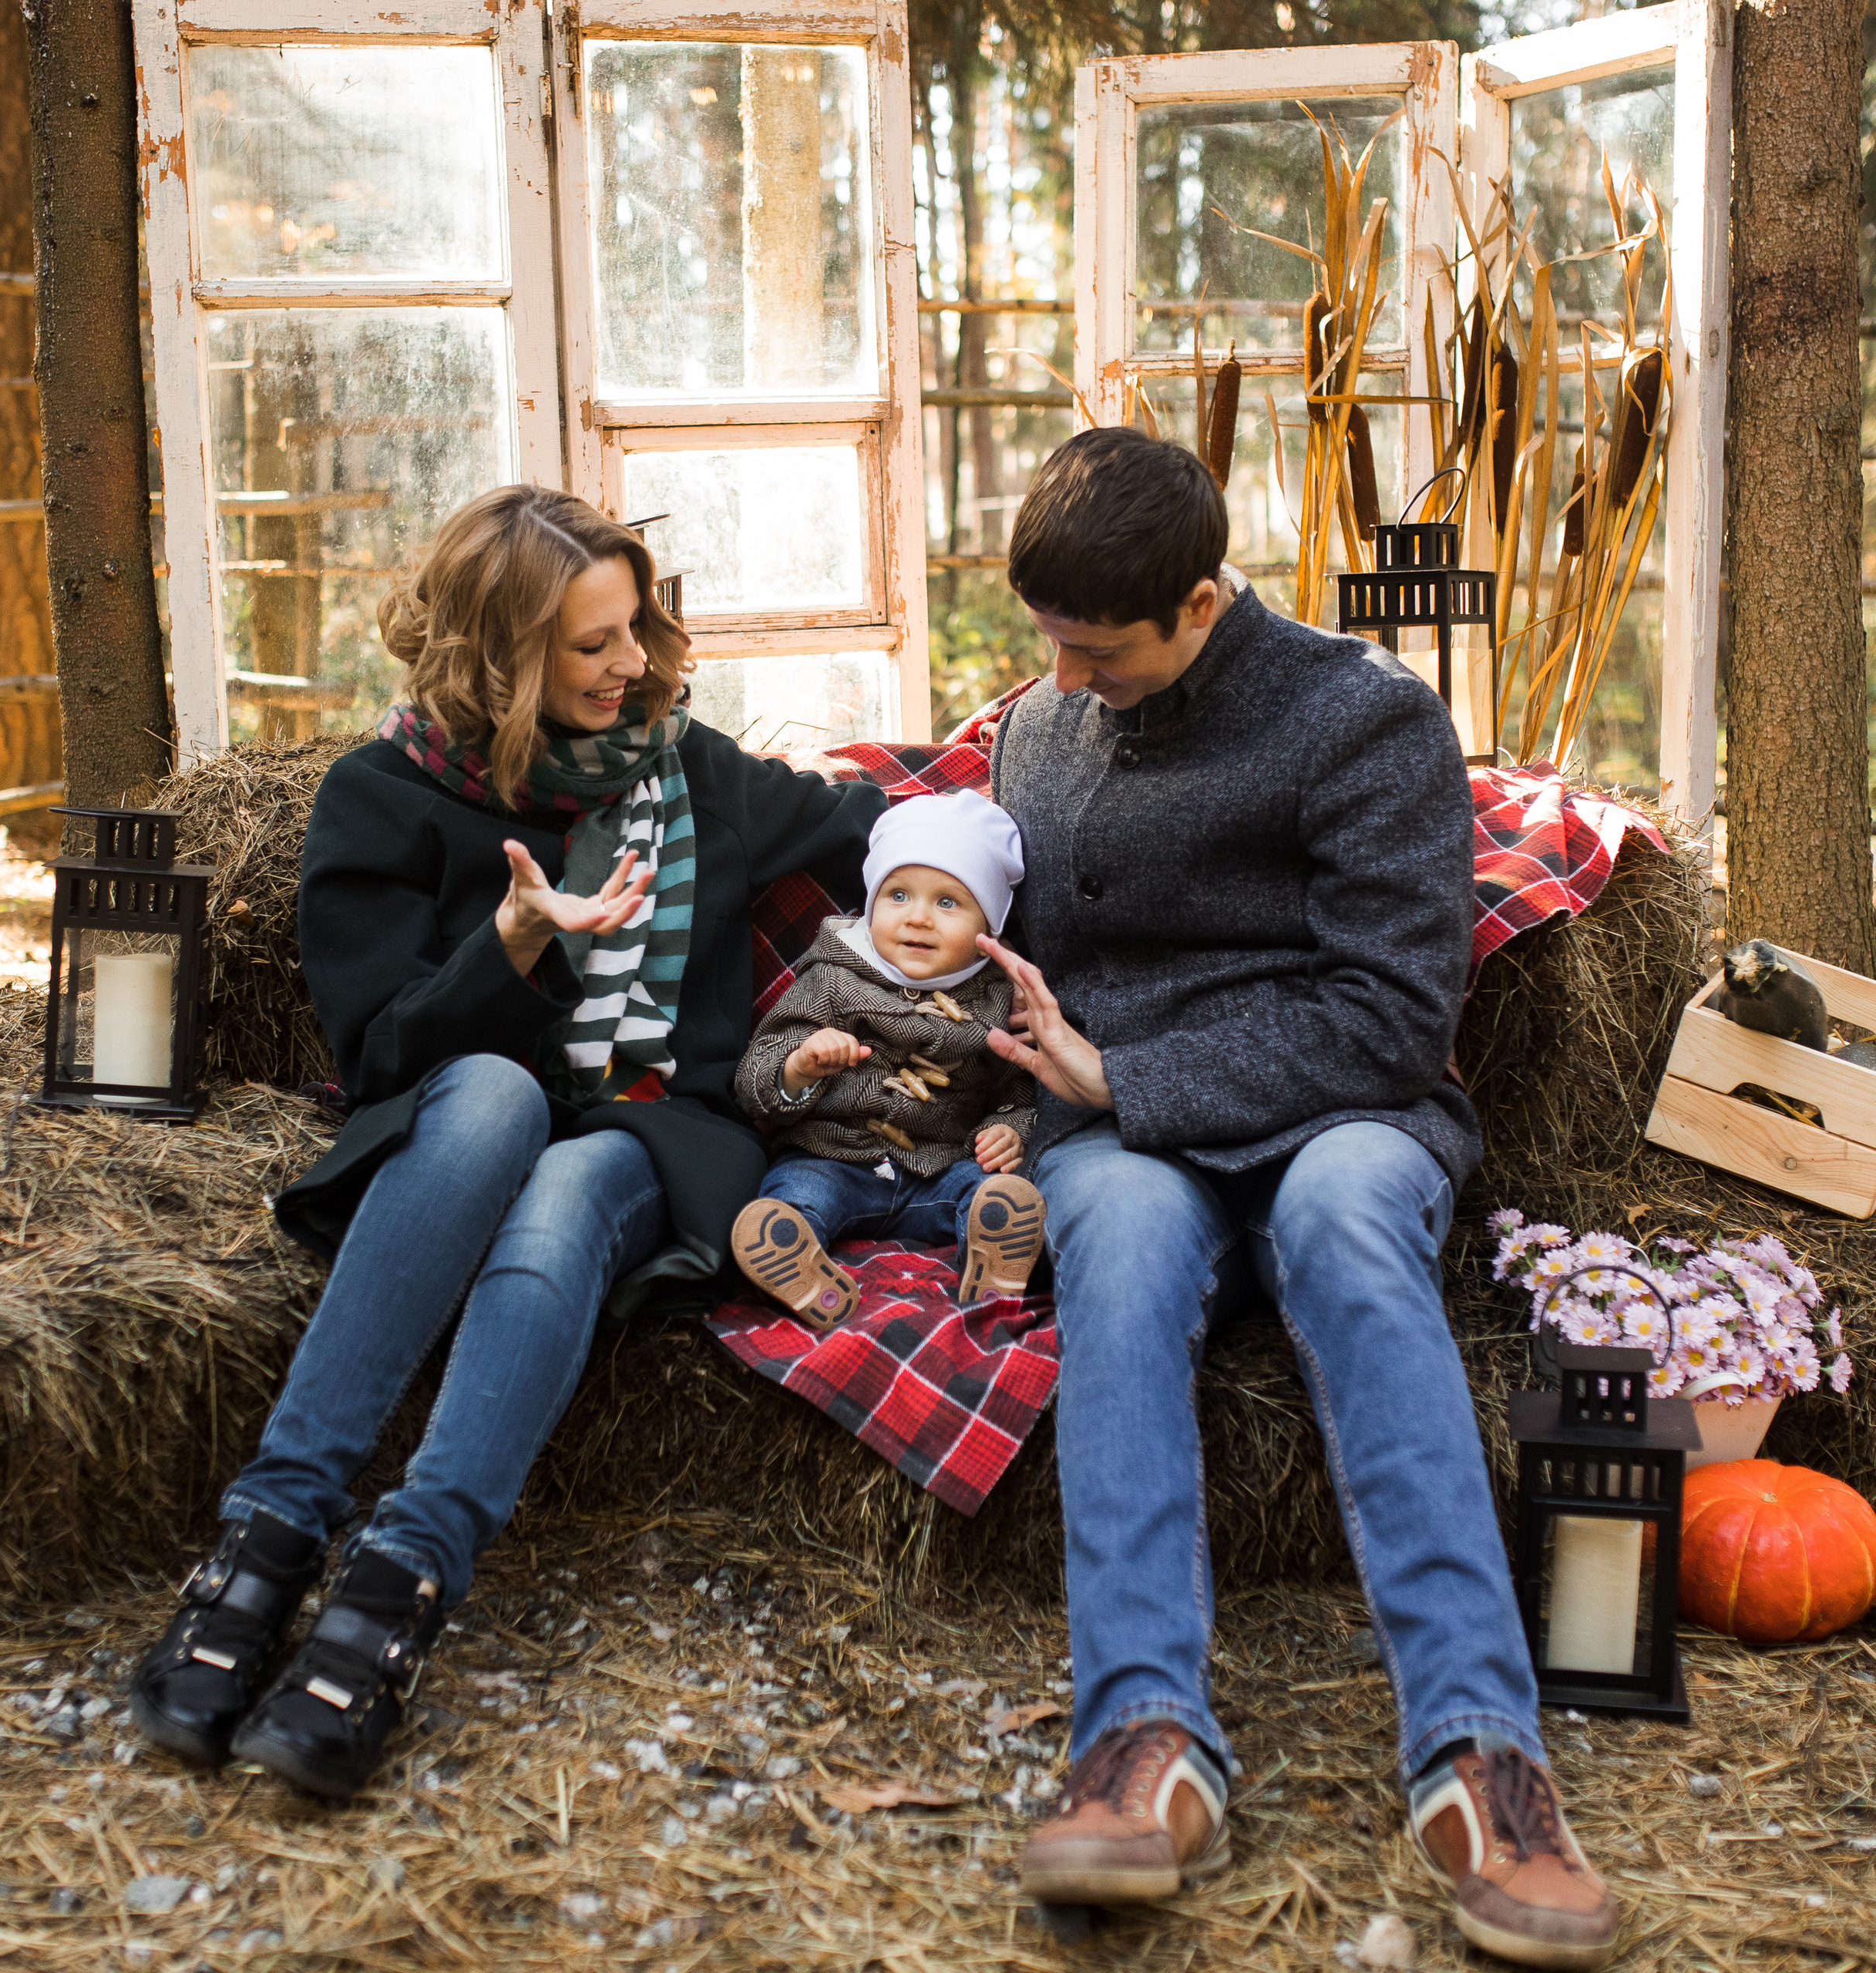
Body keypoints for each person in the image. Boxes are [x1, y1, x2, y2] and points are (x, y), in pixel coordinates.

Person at [978, 428, 1621, 1972]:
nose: (1059, 683)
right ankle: (1141, 1735)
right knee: (1117, 1238)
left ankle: (1478, 1750)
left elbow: (1389, 1018)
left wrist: (1124, 1078)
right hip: (1113, 1124)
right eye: (1045, 645)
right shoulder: (1038, 727)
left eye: (1095, 650)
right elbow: (1017, 962)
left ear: (1200, 603)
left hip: (1342, 1103)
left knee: (1339, 1220)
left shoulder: (1366, 718)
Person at [129, 486, 884, 1799]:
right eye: (592, 647)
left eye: (635, 630)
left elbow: (888, 822)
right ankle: (271, 1530)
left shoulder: (693, 774)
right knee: (497, 1098)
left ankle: (394, 1588)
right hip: (456, 1124)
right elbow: (381, 1057)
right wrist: (518, 942)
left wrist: (1029, 772)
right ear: (500, 656)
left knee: (574, 1171)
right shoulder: (380, 799)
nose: (633, 664)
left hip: (649, 1138)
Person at [731, 791, 1043, 1321]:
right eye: (898, 895)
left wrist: (1011, 1128)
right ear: (871, 903)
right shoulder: (832, 979)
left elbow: (1018, 1088)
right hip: (831, 1160)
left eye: (948, 903)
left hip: (937, 1173)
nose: (918, 918)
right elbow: (753, 1077)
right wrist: (799, 1065)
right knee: (796, 1196)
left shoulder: (998, 1001)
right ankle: (796, 1260)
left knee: (986, 1193)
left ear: (988, 929)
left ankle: (991, 1269)